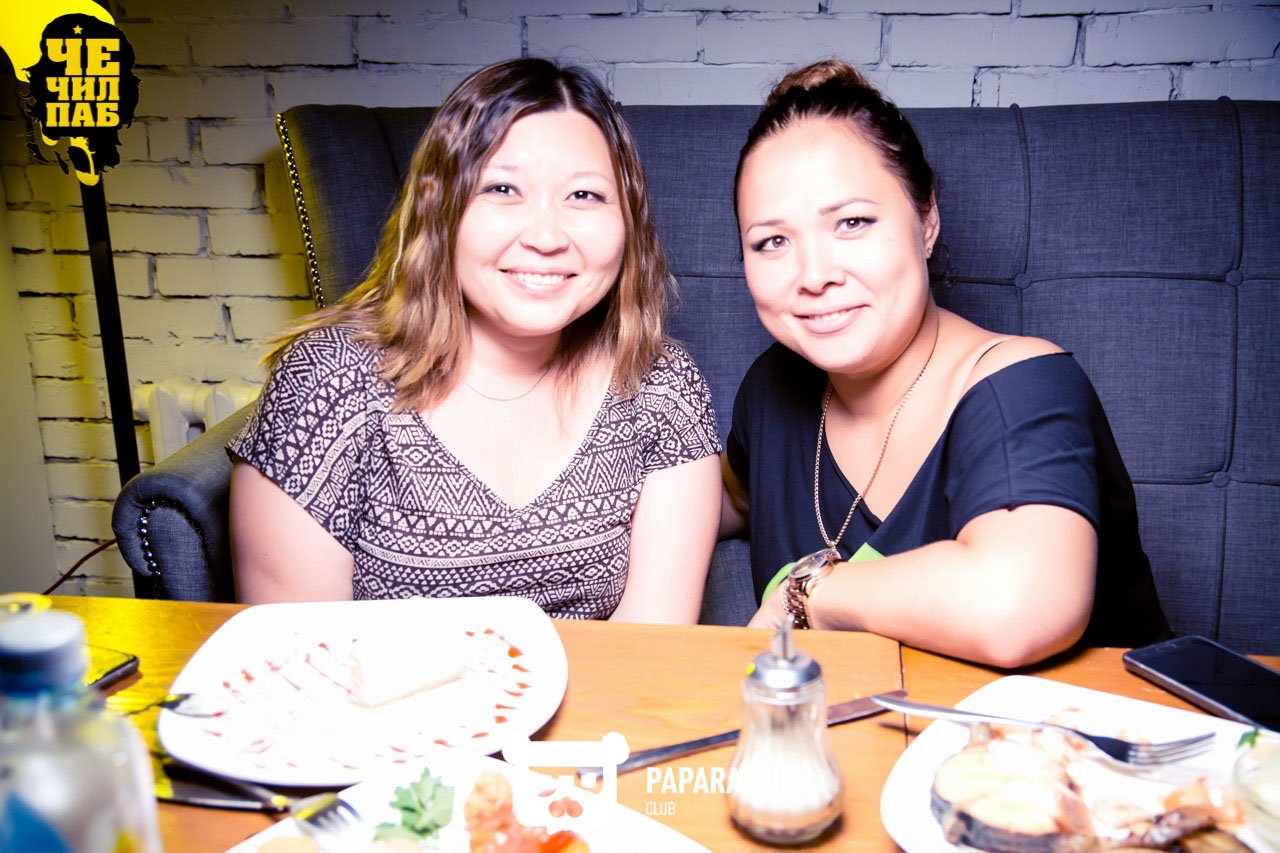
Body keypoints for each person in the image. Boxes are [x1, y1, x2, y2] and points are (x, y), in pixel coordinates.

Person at [228, 58, 722, 621]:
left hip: (606, 682)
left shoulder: (662, 385)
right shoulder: (327, 380)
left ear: (628, 221)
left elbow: (652, 644)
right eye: (502, 188)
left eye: (584, 195)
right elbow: (300, 652)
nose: (546, 237)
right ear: (440, 209)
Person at [721, 60, 1169, 666]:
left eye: (852, 222)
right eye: (772, 241)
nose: (814, 275)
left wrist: (805, 595)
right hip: (854, 726)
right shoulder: (772, 389)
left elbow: (1016, 607)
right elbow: (717, 499)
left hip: (1086, 725)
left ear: (926, 220)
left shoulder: (1024, 387)